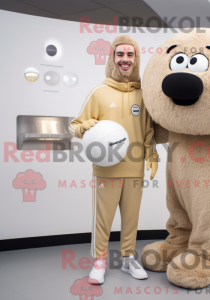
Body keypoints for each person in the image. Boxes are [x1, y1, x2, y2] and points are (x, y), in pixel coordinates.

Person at [69, 35, 159, 284]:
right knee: (103, 219)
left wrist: (152, 155)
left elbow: (148, 131)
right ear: (112, 58)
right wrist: (84, 127)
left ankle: (128, 258)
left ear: (136, 59)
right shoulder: (99, 92)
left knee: (131, 218)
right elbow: (74, 126)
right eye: (120, 54)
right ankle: (98, 262)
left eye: (130, 54)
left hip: (135, 169)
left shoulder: (144, 95)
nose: (125, 59)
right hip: (106, 169)